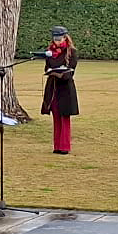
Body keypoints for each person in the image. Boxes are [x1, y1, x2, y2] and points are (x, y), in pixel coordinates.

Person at [41, 26, 79, 155]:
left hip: (65, 89)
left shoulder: (71, 52)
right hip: (53, 88)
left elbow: (70, 71)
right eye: (55, 38)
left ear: (64, 37)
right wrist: (50, 71)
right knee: (56, 116)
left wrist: (59, 73)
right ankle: (57, 145)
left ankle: (65, 146)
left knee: (64, 117)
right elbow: (47, 67)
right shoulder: (49, 51)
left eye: (59, 38)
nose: (57, 41)